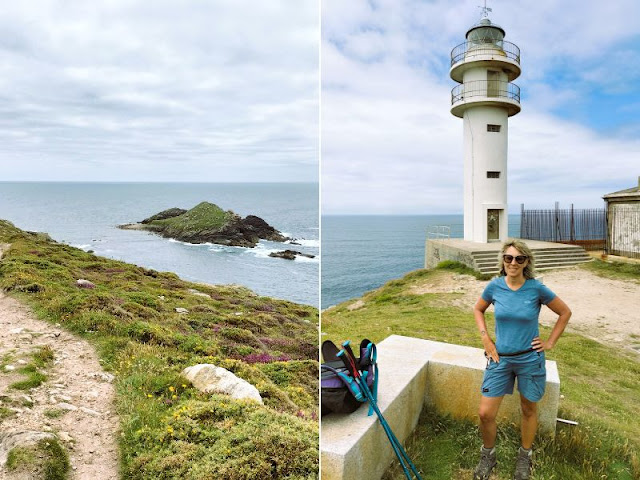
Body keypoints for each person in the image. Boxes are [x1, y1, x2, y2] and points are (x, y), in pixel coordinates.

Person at [472, 239, 571, 480]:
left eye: (519, 258)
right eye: (508, 258)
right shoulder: (494, 286)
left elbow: (564, 312)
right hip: (500, 359)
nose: (513, 263)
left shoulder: (536, 288)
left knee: (528, 409)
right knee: (485, 413)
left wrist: (549, 343)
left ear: (527, 262)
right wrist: (486, 339)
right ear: (503, 260)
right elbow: (478, 310)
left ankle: (524, 457)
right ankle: (488, 455)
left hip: (530, 360)